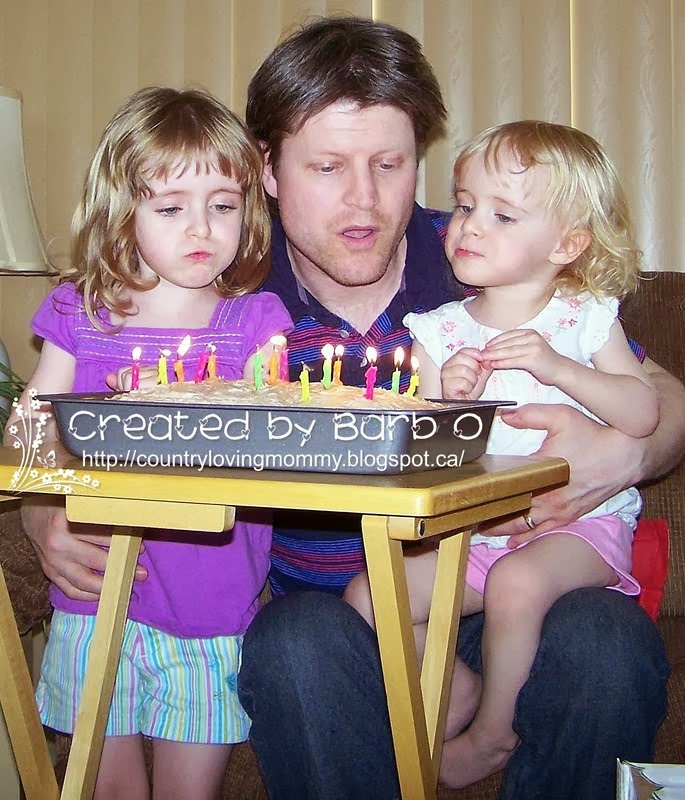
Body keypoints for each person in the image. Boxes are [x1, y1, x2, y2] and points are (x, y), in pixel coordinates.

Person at [18, 16, 683, 800]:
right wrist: (43, 512)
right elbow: (68, 411)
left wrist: (627, 455)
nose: (362, 199)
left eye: (388, 164)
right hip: (336, 618)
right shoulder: (225, 287)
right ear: (265, 169)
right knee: (293, 644)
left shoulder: (485, 252)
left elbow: (662, 397)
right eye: (328, 166)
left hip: (515, 590)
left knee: (605, 642)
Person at [343, 120, 660, 788]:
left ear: (567, 244)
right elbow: (425, 456)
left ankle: (493, 733)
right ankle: (455, 688)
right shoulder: (438, 332)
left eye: (502, 215)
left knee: (519, 583)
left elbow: (643, 414)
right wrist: (447, 398)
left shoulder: (583, 318)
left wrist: (559, 369)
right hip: (475, 535)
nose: (470, 226)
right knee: (370, 595)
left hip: (578, 528)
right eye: (464, 205)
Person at [5, 86, 292, 800]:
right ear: (121, 212)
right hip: (94, 599)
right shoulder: (79, 313)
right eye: (169, 208)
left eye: (223, 205)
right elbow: (32, 423)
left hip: (210, 607)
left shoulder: (255, 323)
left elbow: (278, 435)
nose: (202, 228)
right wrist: (49, 466)